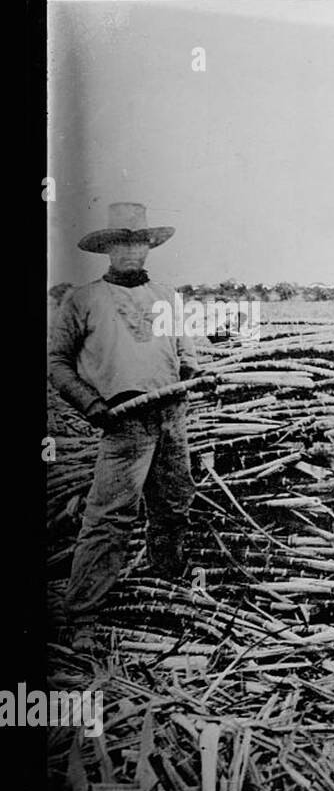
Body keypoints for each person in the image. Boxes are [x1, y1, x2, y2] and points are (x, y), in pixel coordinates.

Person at [48, 203, 203, 652]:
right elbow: (57, 363)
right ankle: (83, 618)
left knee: (174, 505)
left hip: (170, 417)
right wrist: (91, 404)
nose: (131, 251)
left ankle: (167, 589)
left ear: (149, 246)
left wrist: (189, 374)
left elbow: (185, 353)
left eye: (139, 242)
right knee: (109, 518)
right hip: (122, 422)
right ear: (107, 249)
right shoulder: (84, 300)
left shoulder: (167, 297)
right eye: (122, 242)